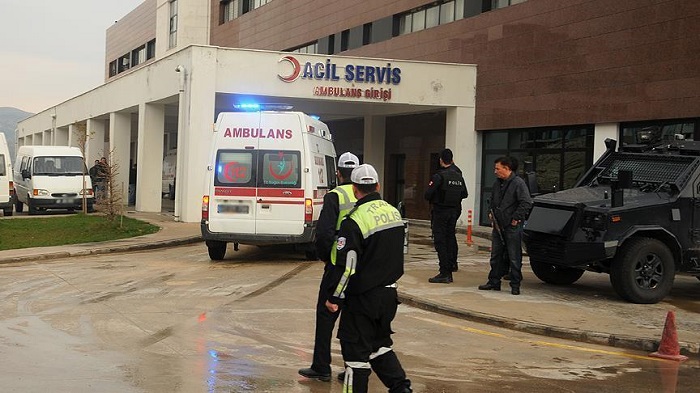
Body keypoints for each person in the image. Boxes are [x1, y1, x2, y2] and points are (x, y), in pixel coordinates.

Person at [325, 164, 412, 393]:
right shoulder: (393, 212)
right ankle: (401, 389)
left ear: (355, 190)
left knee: (355, 355)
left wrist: (335, 297)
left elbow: (348, 267)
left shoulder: (354, 221)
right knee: (379, 345)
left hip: (363, 298)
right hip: (389, 295)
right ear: (377, 186)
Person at [298, 152, 359, 382]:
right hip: (359, 268)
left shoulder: (335, 196)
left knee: (326, 315)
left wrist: (326, 258)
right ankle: (352, 367)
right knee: (353, 319)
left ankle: (322, 367)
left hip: (337, 267)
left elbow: (324, 234)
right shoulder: (368, 196)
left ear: (338, 173)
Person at [478, 156, 533, 295]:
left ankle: (515, 284)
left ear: (506, 168)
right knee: (495, 255)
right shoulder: (498, 183)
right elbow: (492, 200)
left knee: (514, 256)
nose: (495, 171)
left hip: (512, 226)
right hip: (498, 225)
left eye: (497, 168)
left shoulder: (518, 183)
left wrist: (516, 218)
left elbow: (526, 202)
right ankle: (494, 281)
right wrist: (490, 212)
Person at [424, 148, 468, 284]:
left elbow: (427, 194)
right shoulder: (458, 175)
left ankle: (445, 272)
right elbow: (464, 194)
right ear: (452, 159)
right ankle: (451, 264)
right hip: (454, 211)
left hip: (441, 212)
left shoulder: (439, 176)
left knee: (440, 241)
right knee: (450, 238)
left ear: (441, 160)